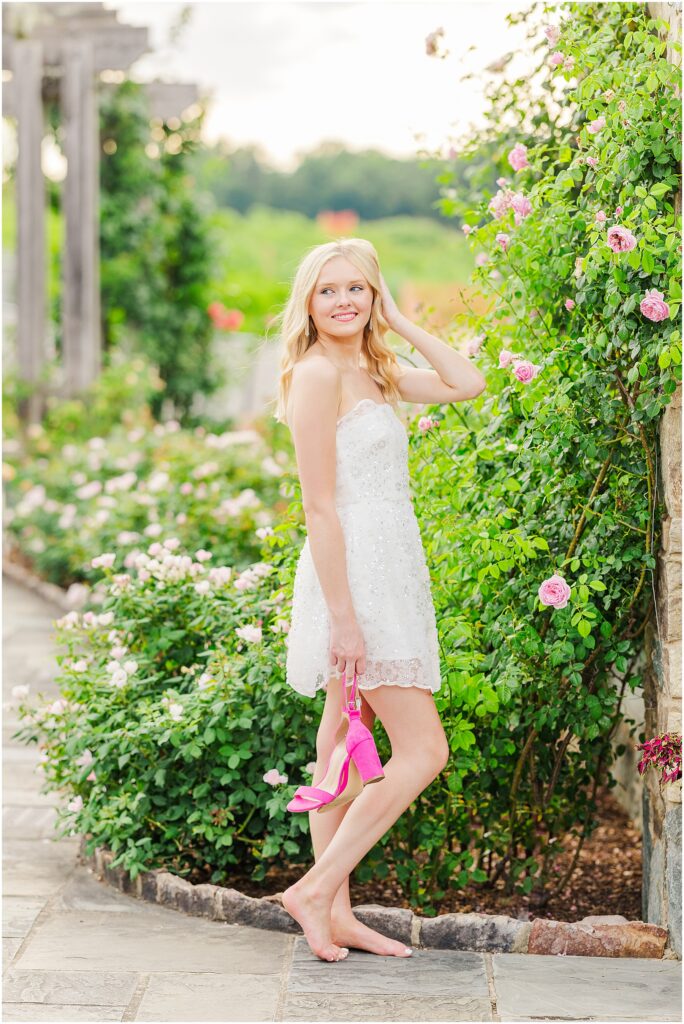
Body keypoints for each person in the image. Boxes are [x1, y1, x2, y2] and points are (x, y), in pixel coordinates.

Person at [272, 237, 487, 963]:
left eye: (357, 289)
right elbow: (320, 508)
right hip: (353, 579)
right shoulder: (314, 377)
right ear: (308, 300)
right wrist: (344, 619)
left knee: (339, 750)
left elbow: (467, 383)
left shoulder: (376, 368)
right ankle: (315, 889)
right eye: (328, 289)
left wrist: (399, 320)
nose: (343, 301)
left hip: (391, 569)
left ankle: (336, 915)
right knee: (423, 749)